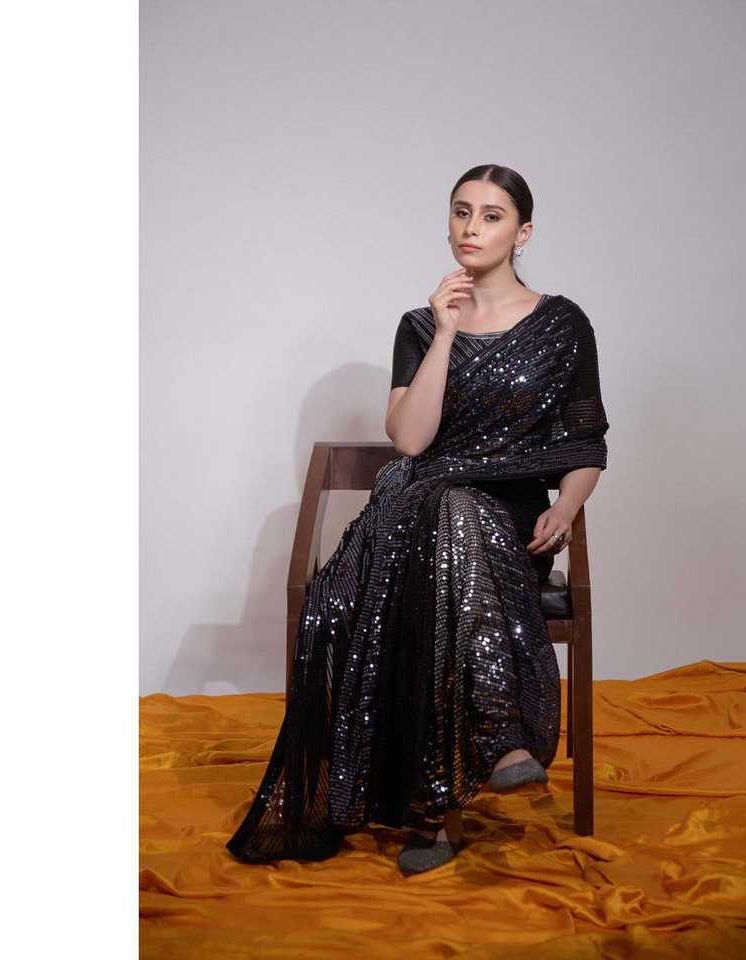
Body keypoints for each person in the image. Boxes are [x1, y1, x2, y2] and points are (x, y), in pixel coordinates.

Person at [225, 164, 609, 875]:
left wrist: (567, 505)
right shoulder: (419, 325)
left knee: (457, 518)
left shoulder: (562, 325)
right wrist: (444, 333)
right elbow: (409, 441)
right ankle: (498, 743)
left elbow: (586, 443)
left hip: (511, 523)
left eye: (491, 215)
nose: (471, 227)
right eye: (461, 212)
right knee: (443, 510)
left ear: (523, 232)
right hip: (416, 509)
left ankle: (433, 812)